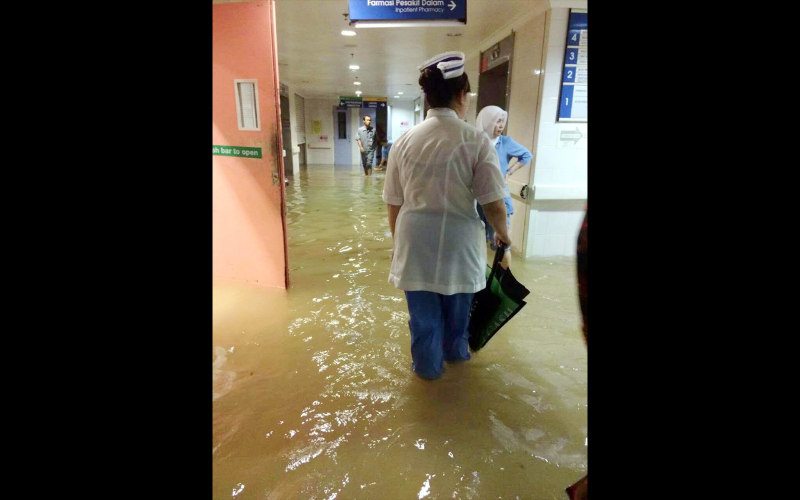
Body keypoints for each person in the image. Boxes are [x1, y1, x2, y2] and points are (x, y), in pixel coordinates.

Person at [382, 51, 511, 380]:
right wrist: (504, 241)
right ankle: (457, 371)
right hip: (460, 245)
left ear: (427, 97)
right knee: (459, 321)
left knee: (424, 324)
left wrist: (399, 244)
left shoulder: (404, 141)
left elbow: (394, 202)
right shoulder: (476, 139)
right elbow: (493, 202)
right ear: (461, 95)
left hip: (414, 241)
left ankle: (427, 377)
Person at [474, 105, 532, 268]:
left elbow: (527, 155)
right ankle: (482, 280)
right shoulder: (475, 141)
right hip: (477, 199)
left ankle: (504, 282)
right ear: (487, 121)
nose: (500, 125)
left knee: (502, 243)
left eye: (502, 122)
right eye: (497, 121)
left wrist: (509, 172)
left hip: (499, 197)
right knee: (477, 242)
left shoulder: (505, 143)